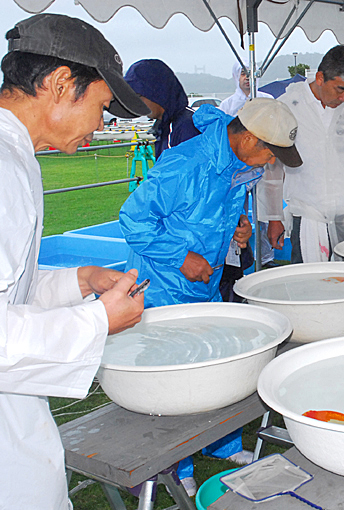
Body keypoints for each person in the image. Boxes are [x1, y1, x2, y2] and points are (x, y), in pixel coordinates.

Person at [0, 13, 149, 509]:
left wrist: (78, 282)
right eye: (102, 106)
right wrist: (97, 321)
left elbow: (10, 290)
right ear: (61, 84)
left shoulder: (16, 156)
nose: (101, 124)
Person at [120, 98, 301, 490]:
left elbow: (219, 208)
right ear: (249, 137)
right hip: (163, 283)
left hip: (205, 279)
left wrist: (238, 227)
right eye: (270, 151)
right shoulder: (185, 164)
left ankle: (220, 444)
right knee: (173, 374)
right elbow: (133, 220)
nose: (271, 160)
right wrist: (181, 257)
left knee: (215, 360)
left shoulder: (239, 161)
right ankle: (177, 466)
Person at [259, 45, 344, 262]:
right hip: (308, 214)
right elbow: (272, 169)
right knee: (310, 279)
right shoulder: (289, 105)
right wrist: (274, 218)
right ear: (320, 78)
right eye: (340, 89)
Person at [219, 61, 277, 299]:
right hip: (239, 168)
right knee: (237, 212)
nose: (247, 78)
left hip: (254, 168)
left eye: (250, 73)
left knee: (260, 211)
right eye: (243, 73)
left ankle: (265, 256)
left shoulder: (266, 100)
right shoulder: (228, 105)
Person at [124, 58, 200, 158]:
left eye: (138, 96)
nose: (137, 103)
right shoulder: (165, 126)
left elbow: (189, 166)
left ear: (157, 93)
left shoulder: (187, 126)